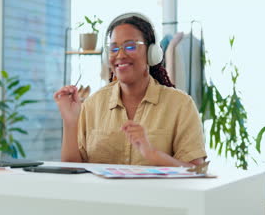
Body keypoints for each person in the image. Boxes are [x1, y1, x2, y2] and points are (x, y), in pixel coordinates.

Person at [54, 13, 206, 167]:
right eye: (114, 49)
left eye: (130, 46)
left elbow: (196, 171)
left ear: (151, 53)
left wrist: (152, 155)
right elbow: (72, 171)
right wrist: (70, 122)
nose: (120, 55)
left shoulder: (180, 105)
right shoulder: (93, 104)